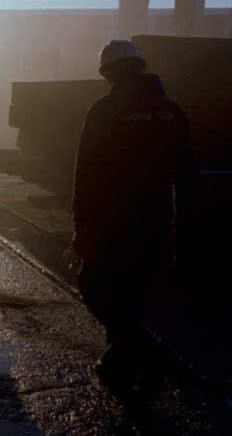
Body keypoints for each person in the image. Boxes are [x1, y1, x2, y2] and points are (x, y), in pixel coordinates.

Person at [65, 39, 194, 401]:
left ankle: (151, 362)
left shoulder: (104, 109)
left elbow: (85, 172)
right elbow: (186, 177)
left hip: (112, 223)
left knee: (96, 288)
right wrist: (182, 230)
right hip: (154, 222)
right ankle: (124, 372)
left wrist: (82, 225)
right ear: (140, 68)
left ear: (107, 73)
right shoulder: (170, 111)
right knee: (134, 299)